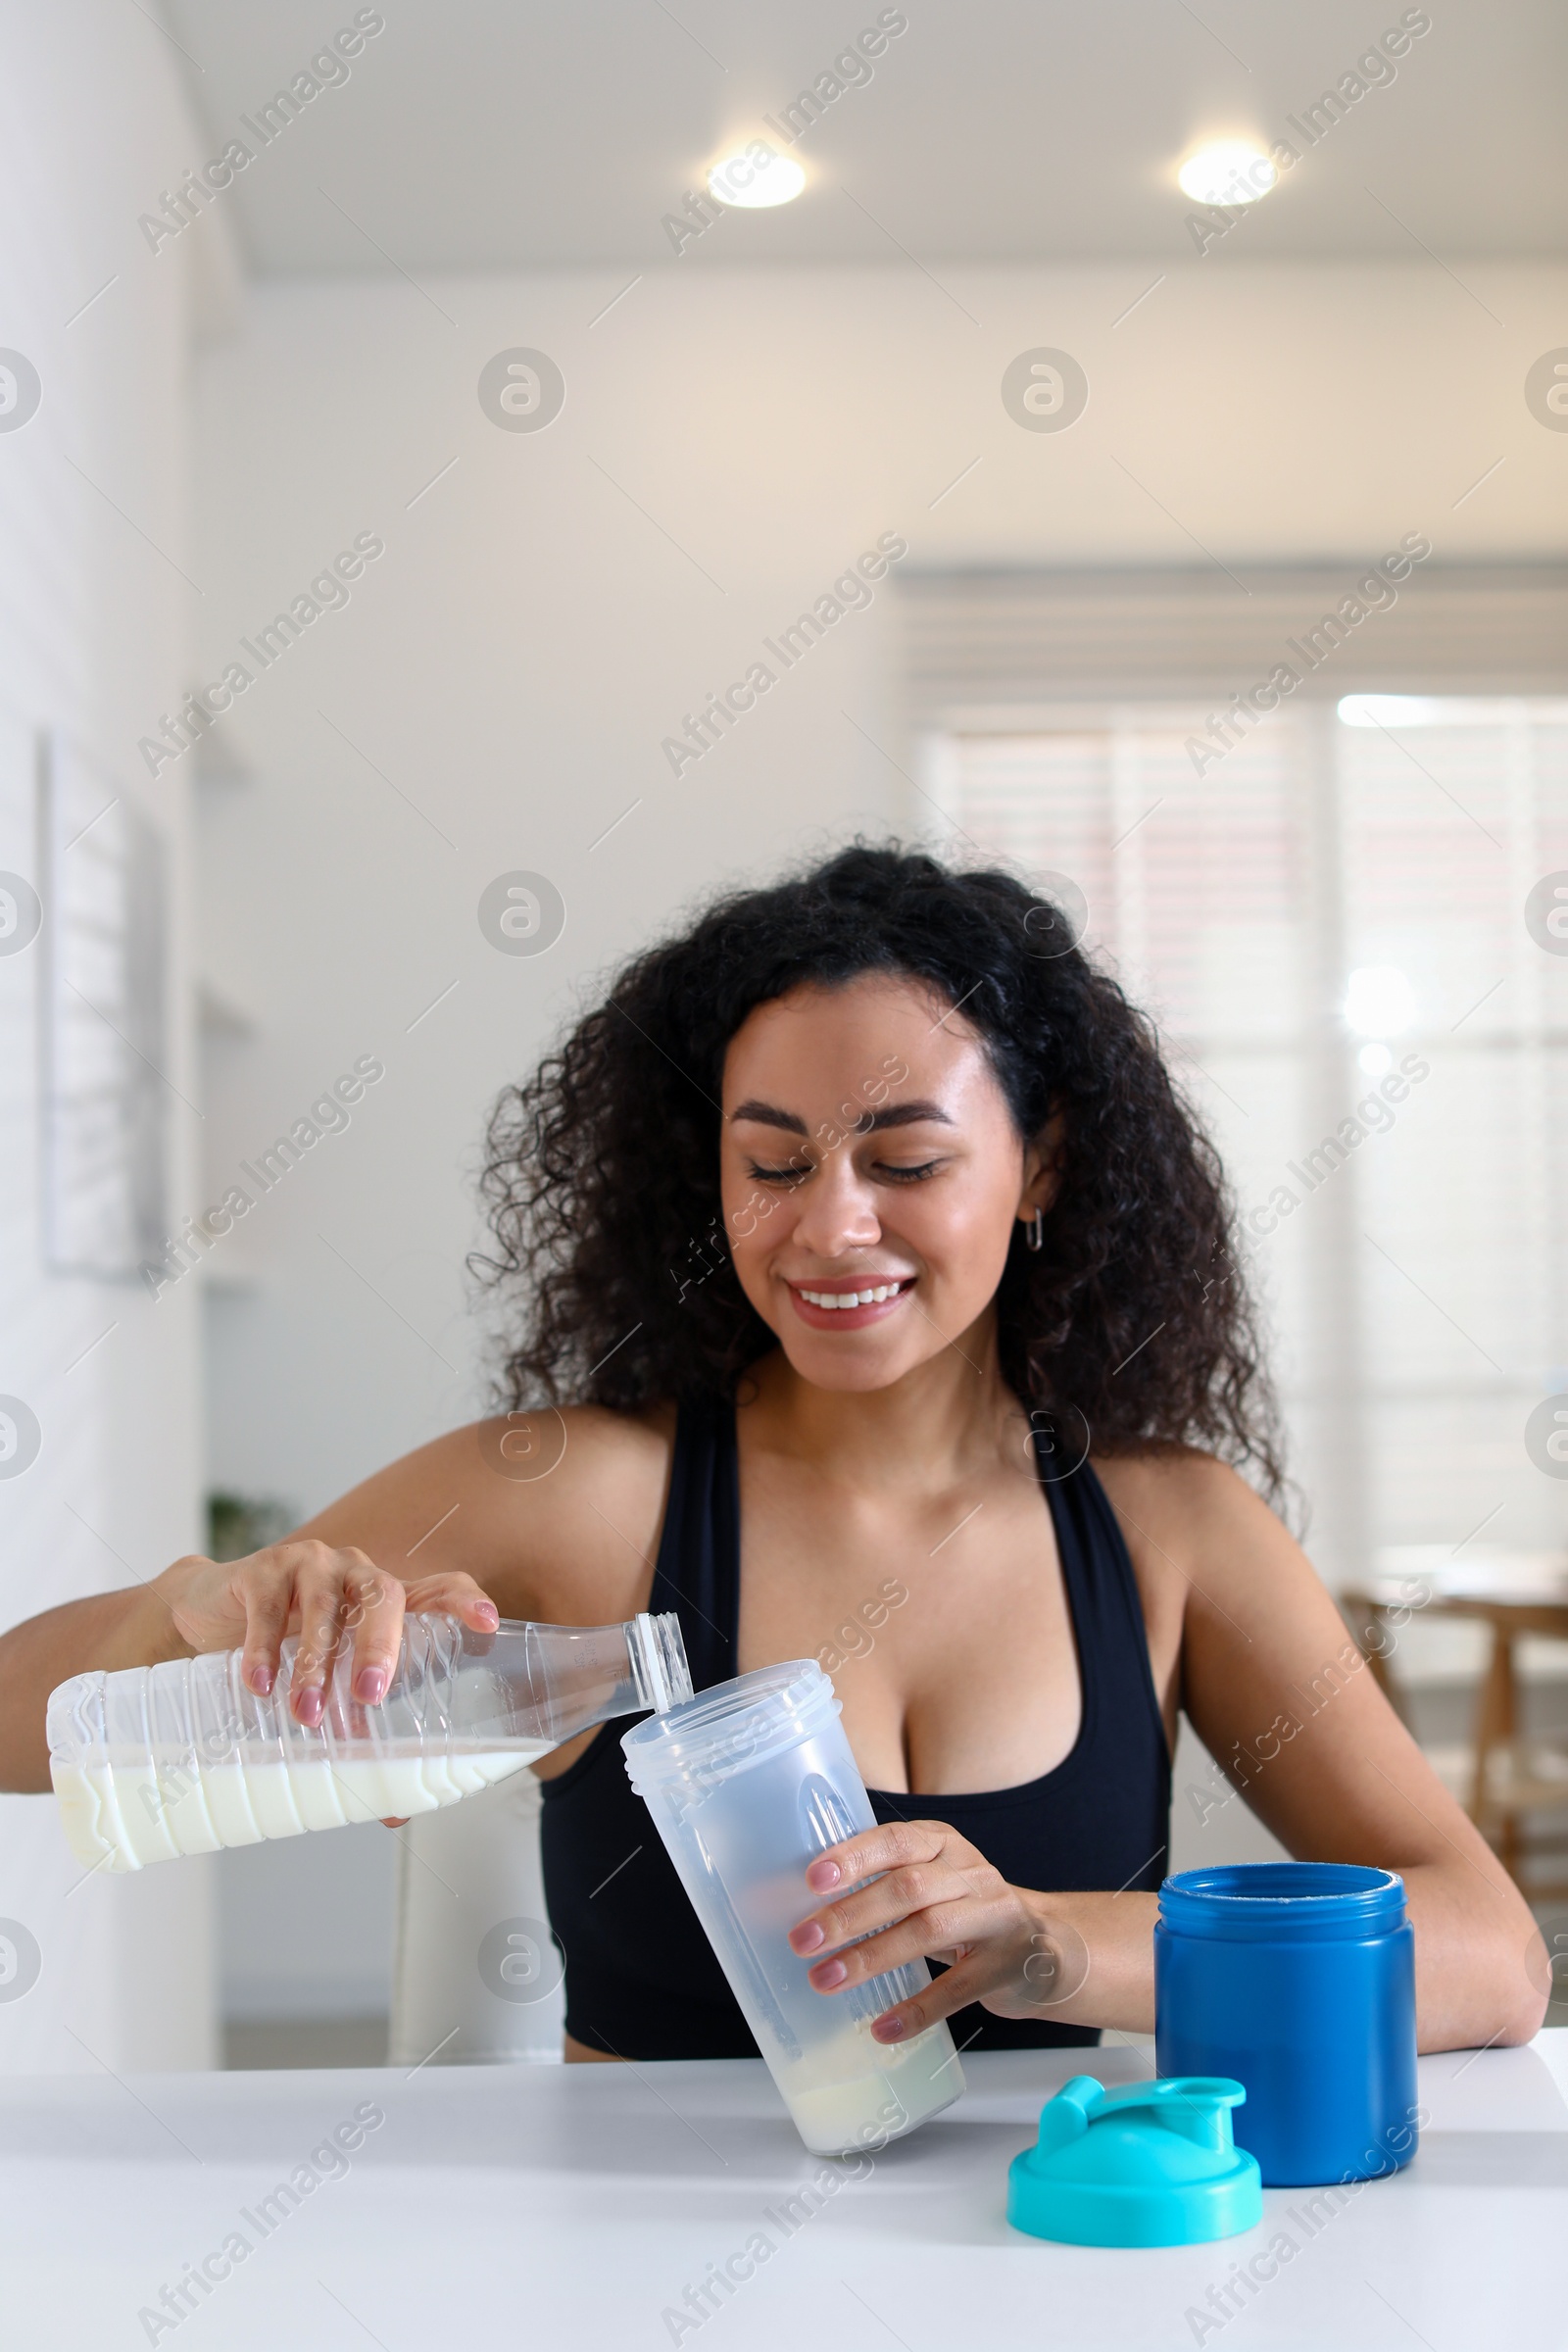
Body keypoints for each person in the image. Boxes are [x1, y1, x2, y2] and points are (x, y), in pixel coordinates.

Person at [0, 845, 1544, 2057]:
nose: (830, 1227)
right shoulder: (588, 1495)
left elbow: (1491, 1953)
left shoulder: (1170, 1536)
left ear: (1041, 1161)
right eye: (773, 1163)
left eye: (906, 1160)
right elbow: (17, 1722)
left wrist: (1059, 1942)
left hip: (1046, 2274)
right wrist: (195, 1615)